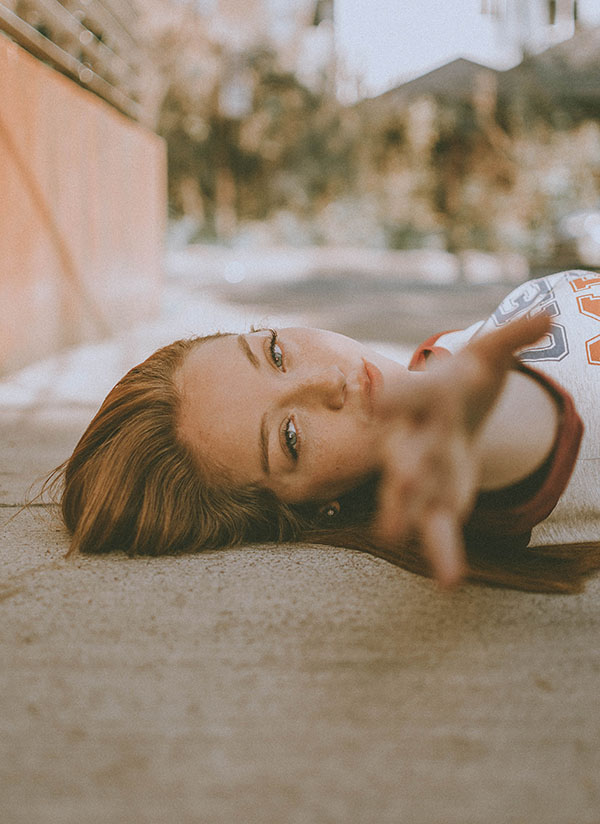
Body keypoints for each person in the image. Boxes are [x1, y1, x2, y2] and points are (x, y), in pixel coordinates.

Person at [50, 270, 600, 593]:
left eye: (274, 352)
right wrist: (465, 418)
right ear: (317, 508)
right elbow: (520, 434)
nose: (326, 382)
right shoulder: (459, 471)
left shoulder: (445, 354)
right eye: (290, 436)